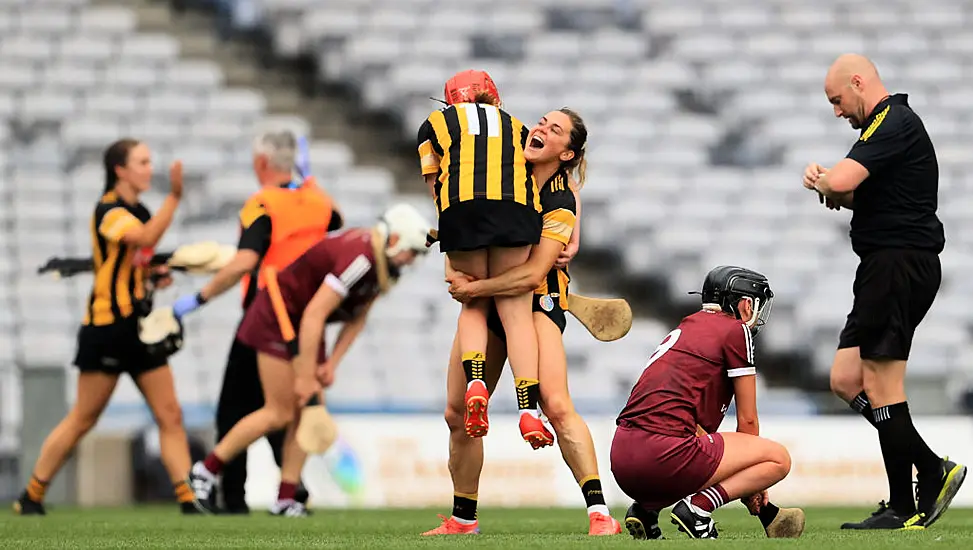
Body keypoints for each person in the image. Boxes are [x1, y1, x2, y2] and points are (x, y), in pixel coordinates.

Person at [422, 109, 620, 536]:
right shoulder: (497, 171)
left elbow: (531, 275)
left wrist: (474, 288)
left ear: (567, 153)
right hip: (491, 304)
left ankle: (600, 514)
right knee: (457, 413)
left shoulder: (562, 200)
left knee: (558, 404)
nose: (541, 129)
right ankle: (463, 519)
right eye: (542, 121)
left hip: (535, 303)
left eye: (555, 129)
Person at [187, 204, 433, 515]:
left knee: (306, 414)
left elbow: (356, 319)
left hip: (305, 325)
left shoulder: (382, 265)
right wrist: (305, 376)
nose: (411, 260)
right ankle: (206, 470)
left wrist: (331, 362)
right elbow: (315, 313)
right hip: (279, 319)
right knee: (278, 412)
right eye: (411, 252)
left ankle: (285, 497)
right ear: (395, 239)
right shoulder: (361, 259)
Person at [806, 53, 966, 530]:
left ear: (859, 82)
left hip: (898, 267)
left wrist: (823, 179)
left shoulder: (890, 122)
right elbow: (853, 193)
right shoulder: (885, 129)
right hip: (885, 267)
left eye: (837, 100)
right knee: (845, 380)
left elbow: (842, 181)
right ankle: (927, 469)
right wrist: (832, 187)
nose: (836, 111)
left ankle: (908, 498)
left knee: (880, 386)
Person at [13, 140, 196, 515]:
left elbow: (139, 257)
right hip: (106, 328)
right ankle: (31, 495)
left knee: (170, 414)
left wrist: (154, 275)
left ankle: (190, 499)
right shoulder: (108, 210)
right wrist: (175, 198)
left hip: (140, 329)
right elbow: (143, 239)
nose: (149, 168)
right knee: (84, 418)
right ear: (120, 170)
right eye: (142, 162)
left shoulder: (141, 209)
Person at [166, 130, 343, 514]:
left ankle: (229, 495)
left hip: (266, 313)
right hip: (309, 318)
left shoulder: (262, 204)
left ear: (261, 163)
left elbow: (246, 261)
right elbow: (335, 218)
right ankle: (290, 493)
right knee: (291, 408)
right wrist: (309, 182)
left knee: (238, 408)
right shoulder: (317, 201)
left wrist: (198, 298)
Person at [611, 266, 797, 540]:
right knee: (777, 458)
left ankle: (647, 511)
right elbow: (747, 421)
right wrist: (750, 484)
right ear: (745, 305)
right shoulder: (736, 330)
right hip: (662, 458)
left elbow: (689, 425)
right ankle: (698, 509)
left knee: (697, 444)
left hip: (622, 458)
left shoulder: (688, 325)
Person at [417, 70, 547, 445]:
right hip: (517, 209)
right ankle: (527, 411)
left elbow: (435, 185)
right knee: (515, 311)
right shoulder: (520, 127)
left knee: (471, 298)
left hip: (461, 210)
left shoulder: (435, 123)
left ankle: (475, 382)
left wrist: (446, 230)